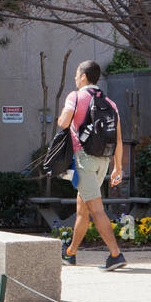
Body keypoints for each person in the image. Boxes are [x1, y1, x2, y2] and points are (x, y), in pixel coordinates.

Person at [57, 59, 127, 271]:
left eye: (77, 75)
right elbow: (119, 139)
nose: (75, 79)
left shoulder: (75, 96)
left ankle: (116, 254)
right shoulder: (111, 103)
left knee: (96, 210)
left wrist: (64, 117)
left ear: (84, 77)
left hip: (84, 161)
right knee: (83, 209)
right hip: (103, 162)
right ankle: (70, 253)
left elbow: (63, 122)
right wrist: (118, 167)